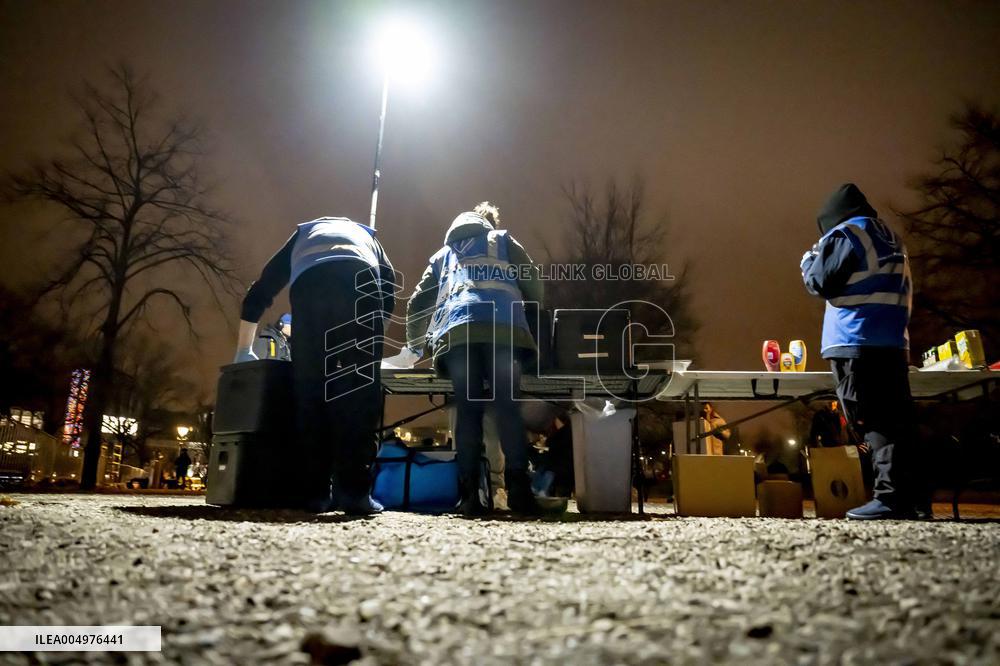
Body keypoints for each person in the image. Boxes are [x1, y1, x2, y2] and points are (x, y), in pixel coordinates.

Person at [235, 216, 396, 515]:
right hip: (362, 285)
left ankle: (316, 493)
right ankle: (355, 493)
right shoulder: (368, 237)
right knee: (359, 394)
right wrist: (368, 347)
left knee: (310, 389)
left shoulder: (304, 233)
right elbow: (388, 289)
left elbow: (262, 289)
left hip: (311, 286)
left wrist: (243, 349)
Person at [405, 202, 543, 515]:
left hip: (459, 335)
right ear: (488, 224)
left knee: (467, 410)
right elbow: (534, 283)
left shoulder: (444, 255)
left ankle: (470, 496)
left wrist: (415, 346)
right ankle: (519, 491)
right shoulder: (504, 241)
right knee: (507, 408)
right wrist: (531, 314)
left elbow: (418, 303)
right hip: (505, 333)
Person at [800, 183, 927, 520]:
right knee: (899, 420)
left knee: (873, 418)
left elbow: (820, 282)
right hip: (893, 341)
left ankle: (889, 498)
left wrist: (810, 260)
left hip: (856, 340)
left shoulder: (846, 235)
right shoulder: (889, 236)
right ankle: (915, 499)